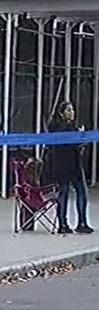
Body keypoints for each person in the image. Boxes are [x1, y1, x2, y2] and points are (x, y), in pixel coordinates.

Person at [45, 101, 93, 235]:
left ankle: (63, 224)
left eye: (72, 110)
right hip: (72, 165)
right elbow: (74, 146)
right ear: (61, 113)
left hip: (59, 165)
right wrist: (81, 135)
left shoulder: (53, 128)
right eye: (68, 111)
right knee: (81, 192)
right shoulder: (69, 129)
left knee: (63, 193)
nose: (72, 113)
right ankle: (82, 222)